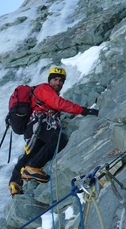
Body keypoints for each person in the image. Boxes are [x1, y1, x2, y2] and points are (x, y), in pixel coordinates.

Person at [9, 67, 99, 195]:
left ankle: (15, 183)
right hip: (41, 122)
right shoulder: (44, 89)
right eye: (55, 79)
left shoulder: (41, 91)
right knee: (59, 139)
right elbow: (59, 104)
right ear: (49, 80)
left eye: (61, 81)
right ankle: (33, 167)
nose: (58, 83)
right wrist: (84, 110)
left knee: (32, 152)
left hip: (34, 127)